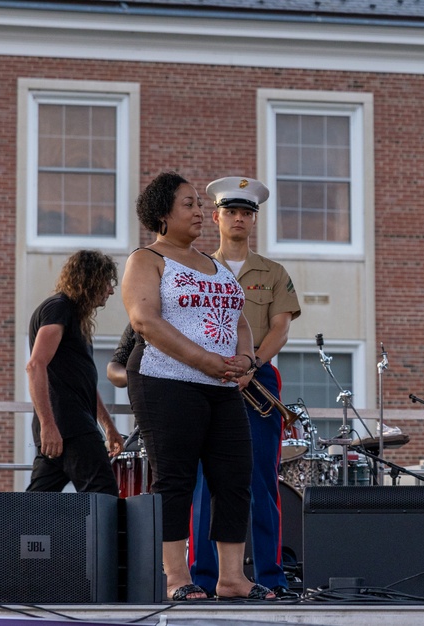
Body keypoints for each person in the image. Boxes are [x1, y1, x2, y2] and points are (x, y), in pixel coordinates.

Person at [121, 171, 274, 601]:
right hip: (165, 381)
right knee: (176, 479)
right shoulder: (147, 259)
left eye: (198, 204)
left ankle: (231, 578)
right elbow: (144, 320)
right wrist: (205, 360)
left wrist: (247, 359)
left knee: (233, 477)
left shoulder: (215, 265)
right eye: (188, 203)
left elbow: (239, 319)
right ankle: (175, 577)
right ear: (162, 213)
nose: (199, 212)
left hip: (223, 387)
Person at [190, 176, 301, 600]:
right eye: (231, 211)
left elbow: (281, 328)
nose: (239, 218)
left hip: (258, 382)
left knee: (260, 481)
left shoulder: (273, 272)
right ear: (216, 216)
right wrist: (219, 366)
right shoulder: (195, 267)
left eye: (247, 213)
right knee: (204, 482)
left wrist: (251, 363)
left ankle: (270, 578)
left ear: (253, 219)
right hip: (205, 377)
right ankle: (202, 579)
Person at [26, 250, 123, 495]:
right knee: (104, 496)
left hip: (64, 427)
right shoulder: (59, 308)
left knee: (33, 508)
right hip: (70, 428)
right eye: (107, 283)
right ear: (90, 280)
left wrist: (109, 426)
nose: (111, 291)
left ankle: (7, 534)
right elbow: (35, 365)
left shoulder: (74, 318)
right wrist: (49, 425)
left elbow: (85, 383)